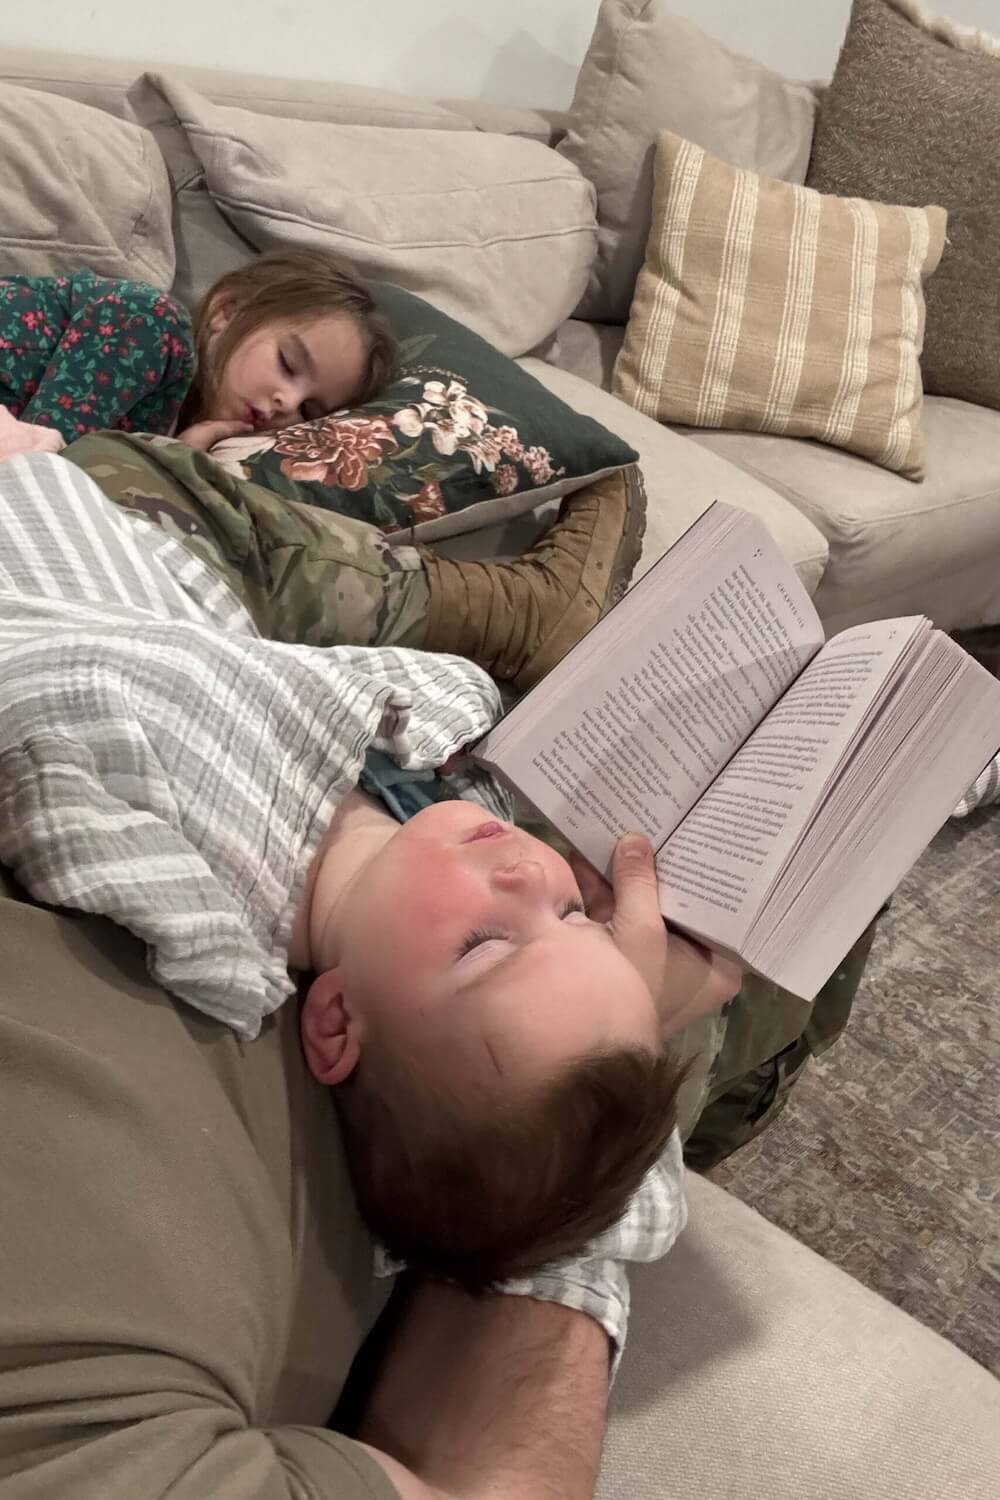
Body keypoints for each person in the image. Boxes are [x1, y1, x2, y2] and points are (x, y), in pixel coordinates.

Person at [0, 449, 738, 1300]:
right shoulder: (433, 810)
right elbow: (638, 1207)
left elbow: (43, 777)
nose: (530, 876)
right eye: (573, 915)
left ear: (337, 1020)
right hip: (136, 558)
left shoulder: (216, 927)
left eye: (485, 944)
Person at [0, 248, 397, 447]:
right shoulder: (153, 324)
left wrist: (183, 452)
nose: (287, 402)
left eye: (308, 411)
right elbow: (37, 472)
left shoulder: (171, 421)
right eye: (287, 364)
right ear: (228, 310)